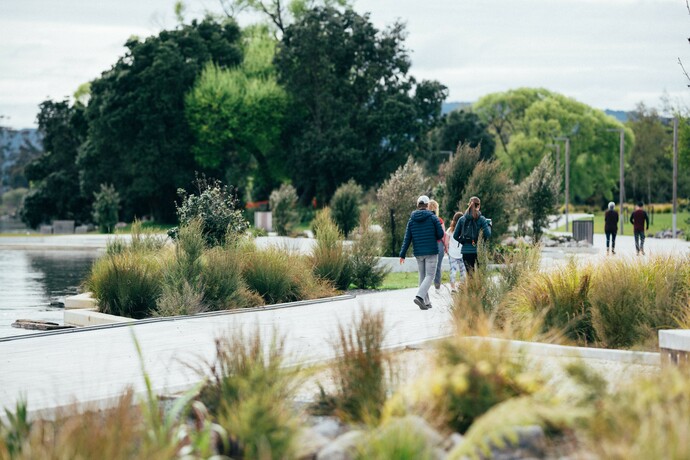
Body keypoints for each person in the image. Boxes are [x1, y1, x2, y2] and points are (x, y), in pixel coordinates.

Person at [399, 195, 444, 310]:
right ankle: (419, 297)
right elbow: (440, 234)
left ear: (417, 205)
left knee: (423, 276)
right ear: (428, 205)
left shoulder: (411, 220)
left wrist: (402, 254)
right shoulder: (433, 218)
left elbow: (407, 238)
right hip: (431, 251)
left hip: (418, 252)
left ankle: (426, 302)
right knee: (430, 276)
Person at [452, 196, 491, 275]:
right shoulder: (482, 219)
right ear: (479, 206)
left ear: (469, 204)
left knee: (470, 276)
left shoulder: (462, 219)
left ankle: (471, 287)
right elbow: (488, 234)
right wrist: (489, 226)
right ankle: (479, 288)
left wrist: (463, 241)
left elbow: (455, 235)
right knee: (481, 276)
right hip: (479, 251)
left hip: (466, 251)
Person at [427, 199, 448, 290]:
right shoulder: (439, 220)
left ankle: (426, 285)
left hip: (428, 244)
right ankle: (437, 286)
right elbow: (443, 234)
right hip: (438, 244)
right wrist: (446, 247)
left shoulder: (426, 220)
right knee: (438, 266)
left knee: (427, 266)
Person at [446, 211, 467, 291]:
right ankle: (462, 287)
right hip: (462, 253)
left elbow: (446, 241)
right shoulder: (465, 229)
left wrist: (447, 250)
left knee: (453, 271)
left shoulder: (450, 230)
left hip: (452, 253)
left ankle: (453, 288)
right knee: (463, 271)